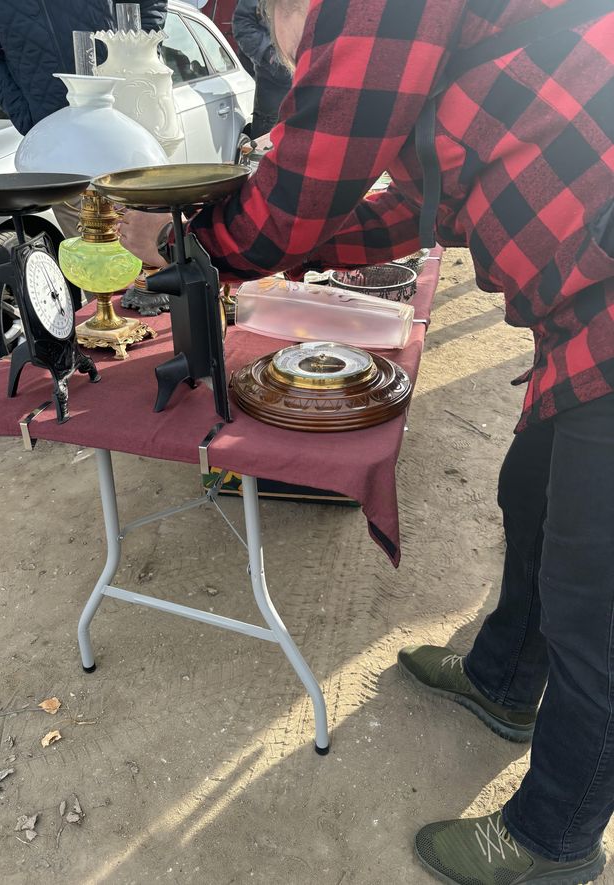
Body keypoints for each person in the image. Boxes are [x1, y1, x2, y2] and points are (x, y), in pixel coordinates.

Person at [118, 3, 614, 881]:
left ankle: (554, 841)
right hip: (585, 310)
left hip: (601, 310)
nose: (296, 57)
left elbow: (313, 173)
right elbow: (428, 203)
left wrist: (198, 239)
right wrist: (280, 251)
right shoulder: (466, 53)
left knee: (596, 601)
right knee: (530, 492)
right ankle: (504, 680)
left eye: (284, 36)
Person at [0, 0, 167, 238]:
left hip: (128, 129)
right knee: (93, 258)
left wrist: (138, 57)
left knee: (155, 252)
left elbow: (150, 5)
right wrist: (28, 114)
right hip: (61, 147)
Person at [232, 0, 292, 139]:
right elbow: (243, 24)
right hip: (275, 86)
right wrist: (269, 54)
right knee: (264, 148)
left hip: (312, 83)